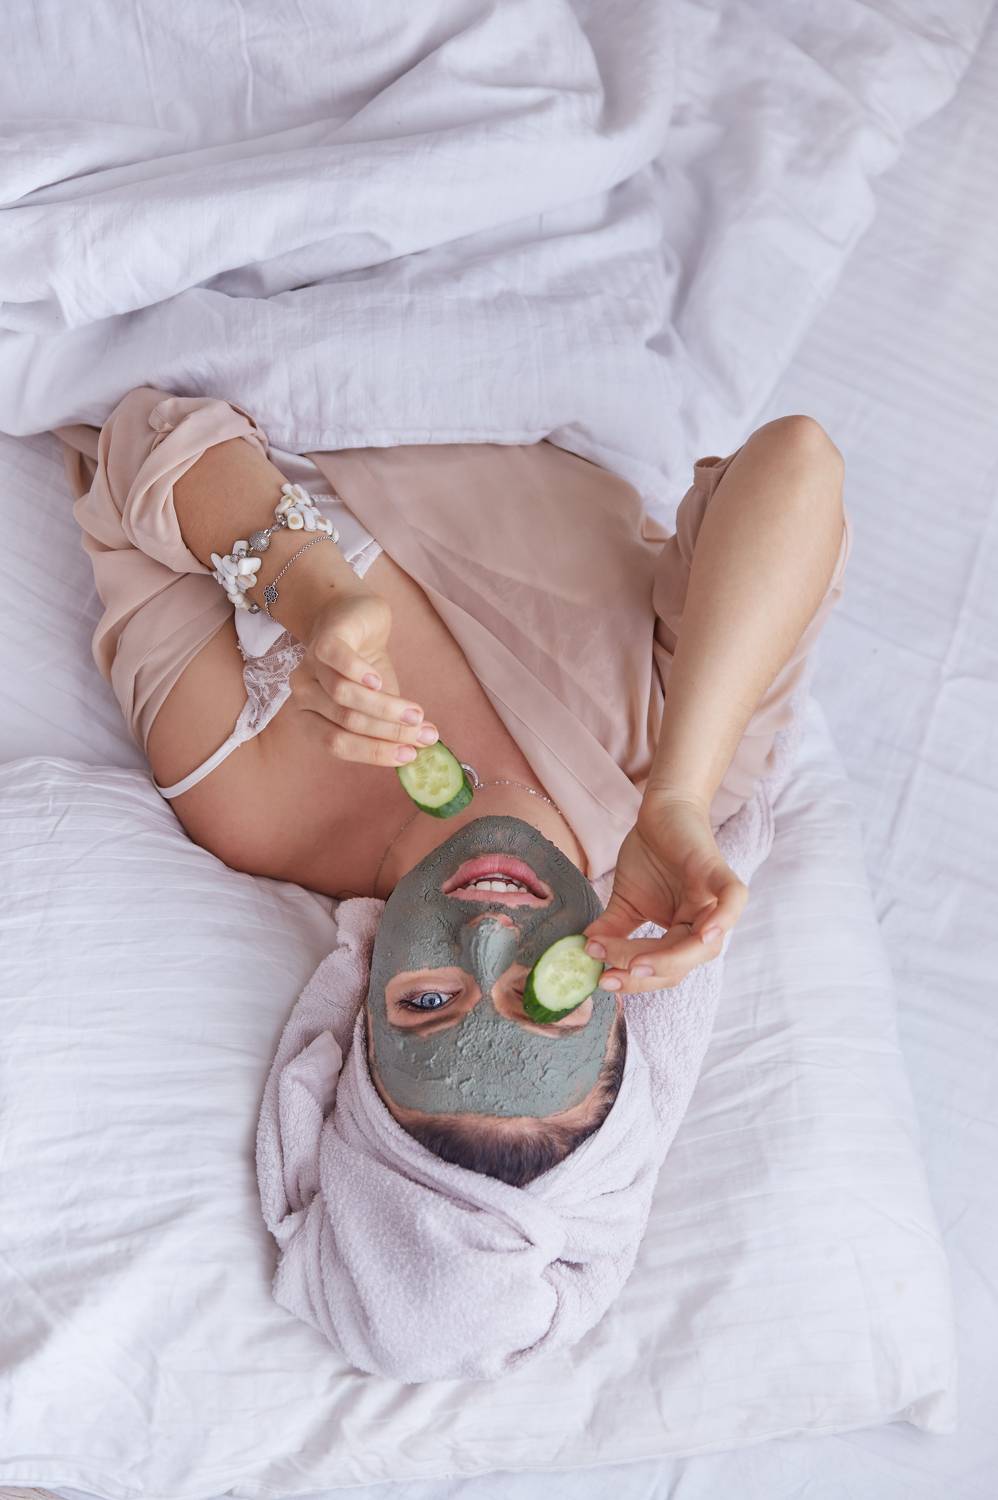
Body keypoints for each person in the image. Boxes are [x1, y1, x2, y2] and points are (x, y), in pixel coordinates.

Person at [56, 389, 849, 1186]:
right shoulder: (680, 762)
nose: (490, 937)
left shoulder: (252, 807)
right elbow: (798, 460)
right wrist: (676, 796)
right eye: (546, 998)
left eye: (430, 1003)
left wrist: (316, 598)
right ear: (618, 998)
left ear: (362, 1003)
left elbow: (136, 440)